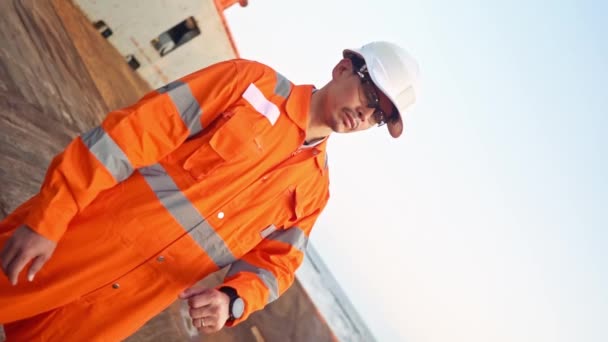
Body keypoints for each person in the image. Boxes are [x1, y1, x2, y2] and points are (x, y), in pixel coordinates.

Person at [0, 41, 420, 340]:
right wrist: (51, 216)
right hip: (73, 243)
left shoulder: (314, 190)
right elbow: (130, 134)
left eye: (378, 115)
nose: (365, 113)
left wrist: (231, 300)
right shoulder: (249, 84)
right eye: (369, 93)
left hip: (119, 308)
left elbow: (277, 267)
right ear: (343, 69)